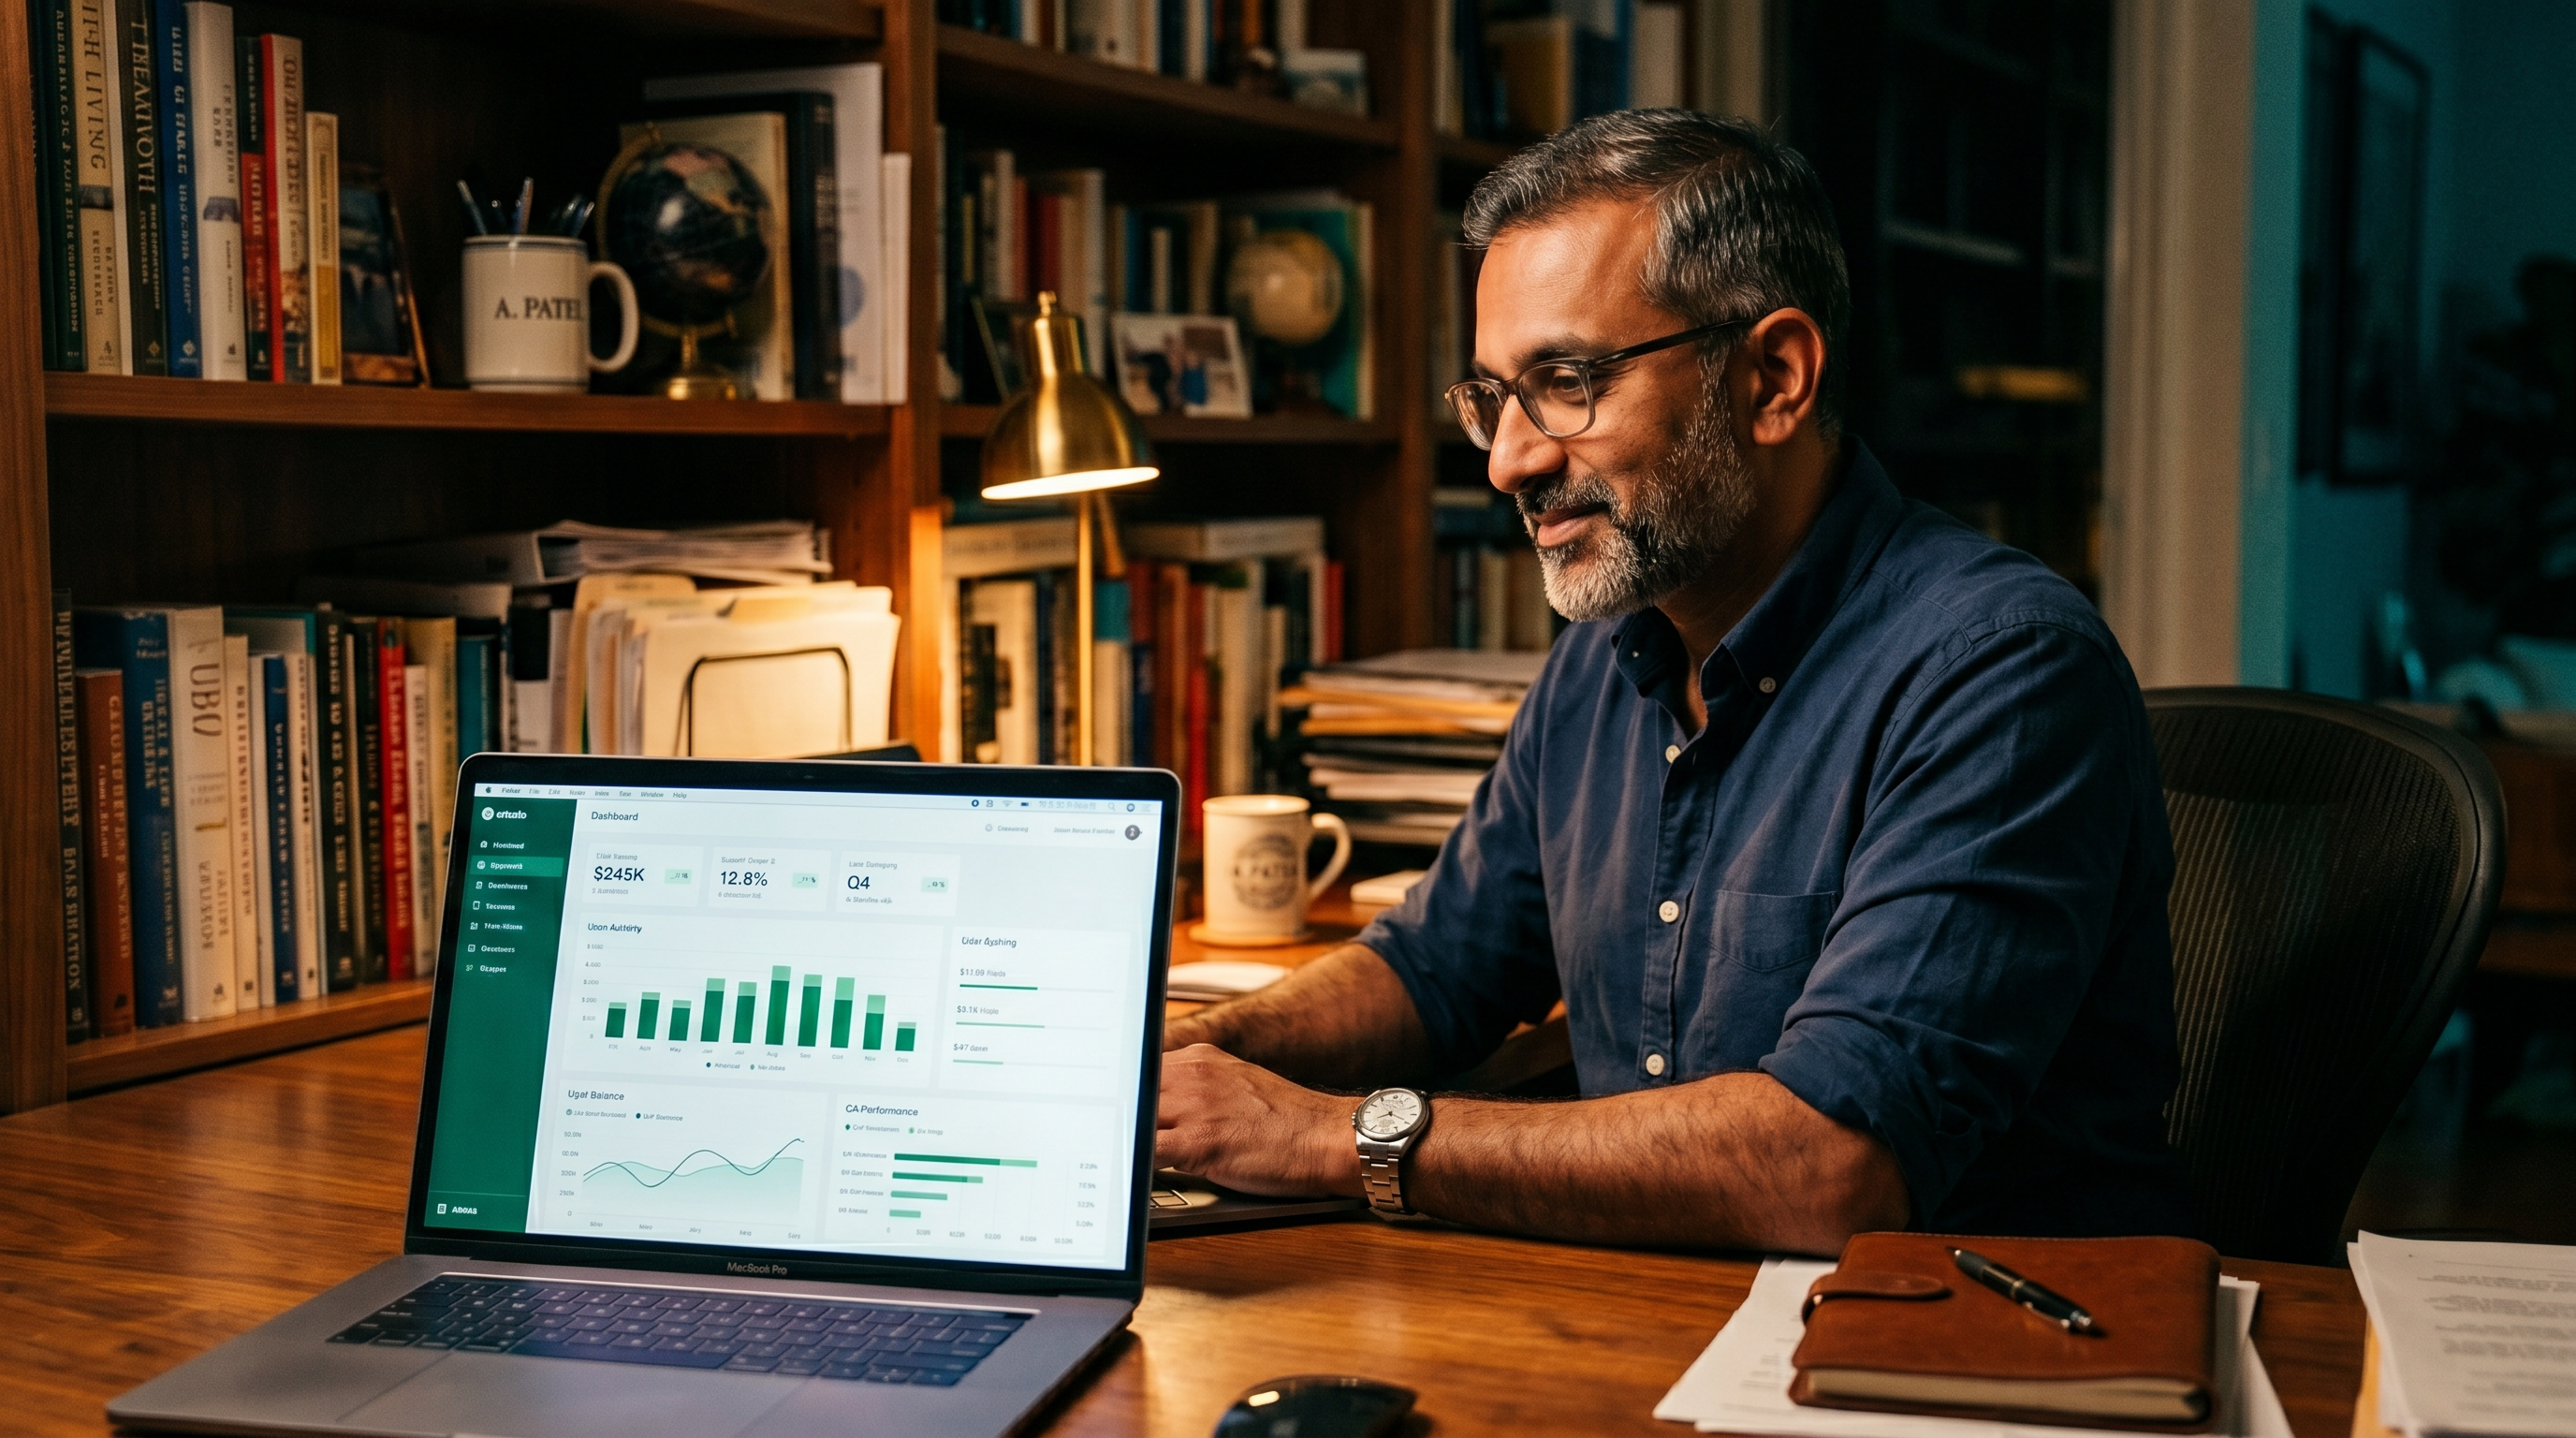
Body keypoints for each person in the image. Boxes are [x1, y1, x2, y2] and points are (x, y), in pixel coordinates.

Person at [1153, 110, 2190, 1254]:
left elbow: (1830, 1167)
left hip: (1959, 1360)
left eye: (1565, 380)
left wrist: (1327, 1137)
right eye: (1493, 395)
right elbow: (1437, 969)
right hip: (1653, 1320)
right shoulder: (1603, 658)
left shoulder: (2002, 673)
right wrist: (1199, 1058)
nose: (1509, 460)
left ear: (1774, 378)